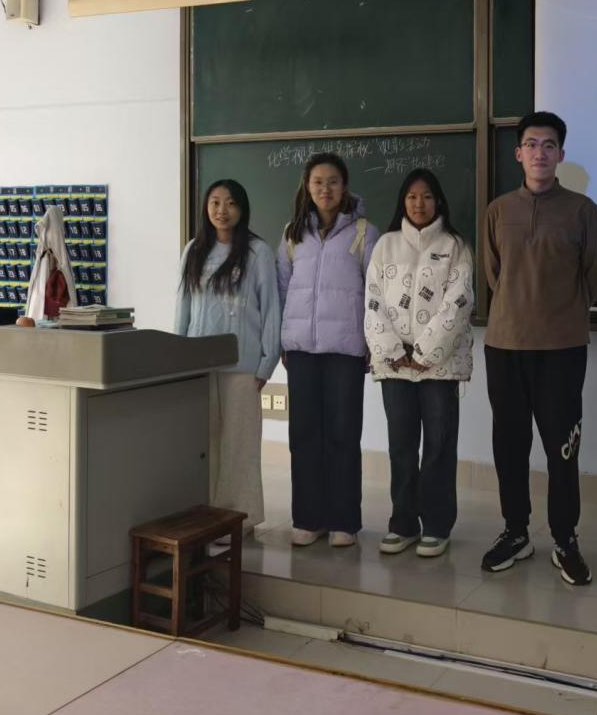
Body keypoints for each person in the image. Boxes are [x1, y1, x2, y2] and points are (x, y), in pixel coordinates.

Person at [481, 111, 597, 586]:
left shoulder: (582, 210)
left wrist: (558, 313)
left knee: (562, 449)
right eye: (531, 144)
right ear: (519, 153)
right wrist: (520, 311)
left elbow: (595, 276)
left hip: (562, 349)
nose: (540, 152)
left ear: (561, 154)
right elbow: (494, 274)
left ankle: (565, 538)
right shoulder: (498, 211)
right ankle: (516, 531)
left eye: (549, 145)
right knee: (510, 446)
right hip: (505, 346)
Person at [365, 169, 473, 558]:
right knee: (402, 447)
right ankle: (404, 524)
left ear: (438, 200)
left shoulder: (455, 246)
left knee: (439, 446)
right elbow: (373, 301)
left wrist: (425, 353)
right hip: (394, 364)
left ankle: (437, 526)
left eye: (426, 196)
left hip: (439, 367)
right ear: (402, 202)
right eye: (411, 197)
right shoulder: (386, 245)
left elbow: (459, 302)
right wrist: (394, 351)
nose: (419, 203)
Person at [278, 152, 379, 549]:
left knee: (343, 435)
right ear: (307, 186)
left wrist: (370, 342)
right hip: (302, 349)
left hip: (346, 349)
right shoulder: (292, 234)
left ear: (345, 185)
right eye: (318, 181)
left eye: (333, 181)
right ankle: (308, 518)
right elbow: (283, 288)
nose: (325, 189)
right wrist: (284, 340)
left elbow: (375, 293)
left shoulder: (364, 232)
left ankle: (344, 522)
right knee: (304, 436)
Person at [175, 178, 281, 542]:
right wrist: (178, 359)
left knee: (239, 446)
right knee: (204, 446)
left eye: (231, 203)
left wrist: (266, 364)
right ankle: (208, 516)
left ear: (242, 209)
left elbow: (271, 310)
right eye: (215, 202)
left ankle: (239, 518)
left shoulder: (257, 252)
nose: (222, 210)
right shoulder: (194, 250)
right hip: (199, 366)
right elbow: (183, 308)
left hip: (242, 366)